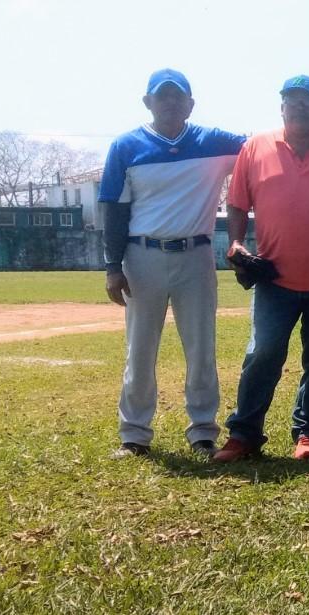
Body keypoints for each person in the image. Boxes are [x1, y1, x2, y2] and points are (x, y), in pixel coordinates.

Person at [213, 76, 309, 462]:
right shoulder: (256, 148)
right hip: (274, 277)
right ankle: (244, 435)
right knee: (263, 353)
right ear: (282, 106)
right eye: (292, 100)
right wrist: (236, 243)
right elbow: (237, 204)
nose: (300, 107)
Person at [100, 69, 245, 459]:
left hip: (195, 255)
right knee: (140, 348)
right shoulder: (126, 146)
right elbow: (112, 209)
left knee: (201, 347)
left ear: (190, 103)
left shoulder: (211, 141)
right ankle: (134, 434)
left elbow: (261, 148)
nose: (170, 102)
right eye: (161, 96)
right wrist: (113, 265)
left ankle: (202, 431)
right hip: (142, 255)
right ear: (147, 102)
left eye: (177, 96)